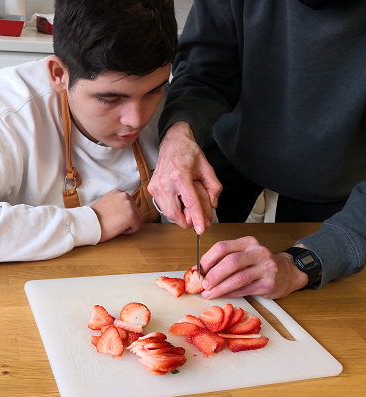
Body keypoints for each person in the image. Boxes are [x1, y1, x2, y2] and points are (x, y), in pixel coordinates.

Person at [0, 0, 198, 269]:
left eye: (154, 91)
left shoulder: (176, 112)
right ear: (59, 75)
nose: (136, 120)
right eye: (110, 99)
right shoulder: (8, 108)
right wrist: (92, 221)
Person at [149, 0, 366, 299]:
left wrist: (302, 263)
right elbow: (204, 68)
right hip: (231, 142)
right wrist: (178, 133)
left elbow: (317, 257)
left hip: (340, 177)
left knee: (309, 302)